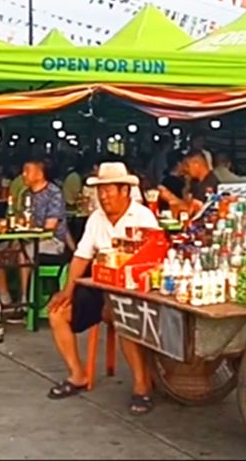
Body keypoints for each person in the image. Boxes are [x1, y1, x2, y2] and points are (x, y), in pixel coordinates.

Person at [46, 162, 160, 415]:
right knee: (57, 313)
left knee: (124, 319)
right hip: (100, 288)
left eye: (109, 190)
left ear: (125, 191)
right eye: (101, 191)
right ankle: (77, 375)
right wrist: (67, 291)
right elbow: (81, 257)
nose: (104, 196)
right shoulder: (96, 218)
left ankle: (142, 386)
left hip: (135, 292)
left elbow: (153, 260)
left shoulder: (143, 217)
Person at [0, 158, 71, 314]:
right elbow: (22, 219)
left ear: (40, 173)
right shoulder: (26, 193)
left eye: (27, 170)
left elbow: (49, 228)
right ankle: (5, 299)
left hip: (52, 242)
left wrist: (24, 235)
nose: (23, 174)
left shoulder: (54, 193)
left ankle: (24, 302)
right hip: (28, 238)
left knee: (24, 254)